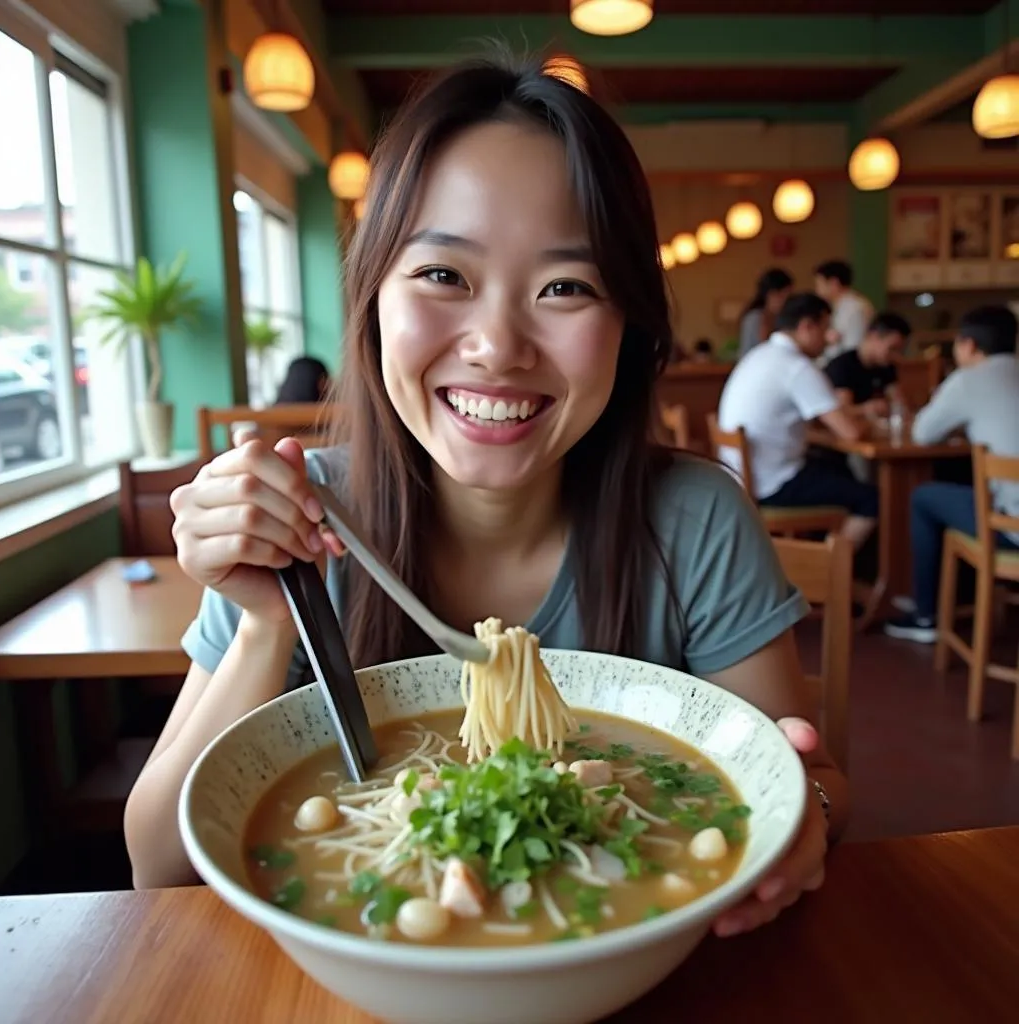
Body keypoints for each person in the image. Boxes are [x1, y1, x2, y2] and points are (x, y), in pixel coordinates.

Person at [124, 54, 846, 939]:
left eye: (566, 288)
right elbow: (158, 862)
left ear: (630, 326)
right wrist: (272, 619)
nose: (498, 346)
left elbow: (793, 778)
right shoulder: (303, 516)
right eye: (443, 276)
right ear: (373, 298)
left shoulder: (692, 519)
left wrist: (808, 814)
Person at [885, 305, 1019, 643]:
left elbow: (922, 434)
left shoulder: (968, 380)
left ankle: (926, 615)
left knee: (923, 497)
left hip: (1013, 530)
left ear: (968, 345)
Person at [718, 293, 878, 553]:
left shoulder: (760, 355)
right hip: (772, 484)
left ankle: (822, 556)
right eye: (825, 328)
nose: (829, 338)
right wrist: (870, 420)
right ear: (806, 326)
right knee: (872, 498)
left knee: (838, 468)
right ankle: (829, 575)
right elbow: (852, 433)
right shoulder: (797, 367)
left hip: (741, 477)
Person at [824, 312, 912, 417]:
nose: (895, 356)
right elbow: (841, 412)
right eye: (892, 348)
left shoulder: (886, 366)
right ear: (873, 336)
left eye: (900, 351)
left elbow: (900, 403)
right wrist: (867, 409)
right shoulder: (842, 366)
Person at [813, 260, 874, 367]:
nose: (817, 290)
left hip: (846, 369)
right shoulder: (839, 306)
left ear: (834, 283)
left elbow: (854, 348)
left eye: (819, 284)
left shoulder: (854, 308)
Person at [738, 268, 793, 358]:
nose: (788, 301)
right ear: (772, 294)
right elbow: (748, 352)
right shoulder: (754, 318)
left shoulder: (783, 319)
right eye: (785, 295)